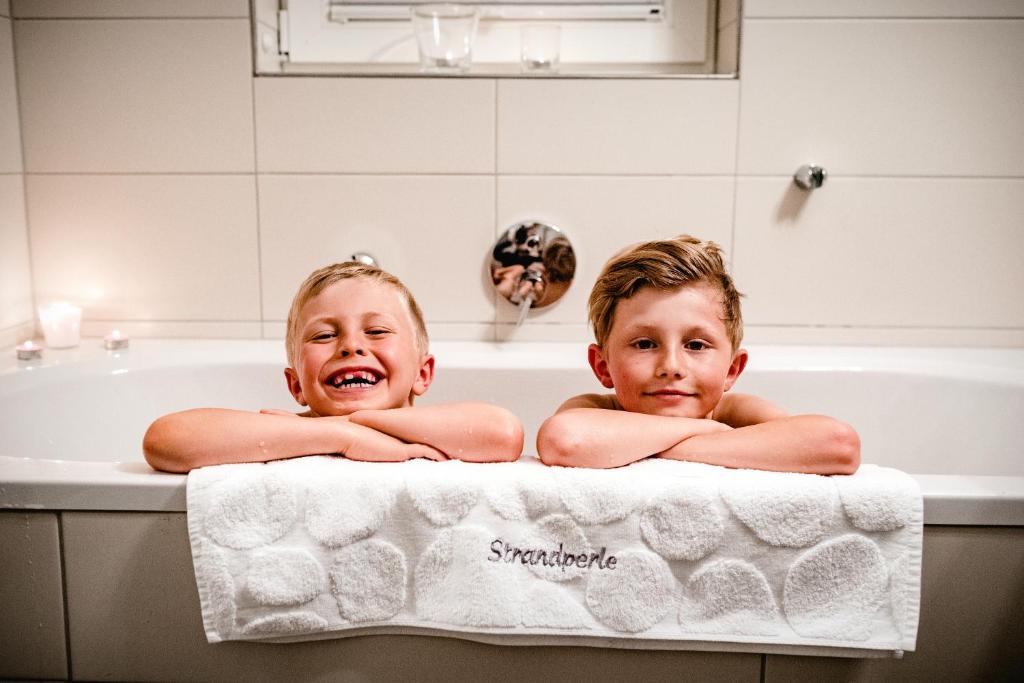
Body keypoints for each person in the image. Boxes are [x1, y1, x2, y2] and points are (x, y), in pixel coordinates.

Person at [144, 263, 524, 473]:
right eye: (324, 336)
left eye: (375, 331)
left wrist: (343, 425)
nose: (351, 346)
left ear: (423, 374)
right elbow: (165, 440)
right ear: (296, 386)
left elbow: (503, 434)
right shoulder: (294, 430)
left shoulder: (435, 432)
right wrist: (339, 436)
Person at [536, 235, 859, 474]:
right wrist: (711, 431)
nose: (672, 367)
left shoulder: (733, 411)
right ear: (603, 367)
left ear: (732, 369)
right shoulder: (597, 409)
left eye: (696, 345)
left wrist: (670, 445)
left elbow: (838, 445)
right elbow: (562, 440)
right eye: (645, 344)